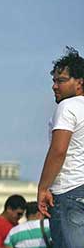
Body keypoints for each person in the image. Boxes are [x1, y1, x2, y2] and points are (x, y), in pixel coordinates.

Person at [37, 47, 84, 248]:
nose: (55, 86)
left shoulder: (68, 106)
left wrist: (42, 188)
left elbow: (58, 150)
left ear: (80, 82)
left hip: (68, 191)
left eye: (61, 80)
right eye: (54, 81)